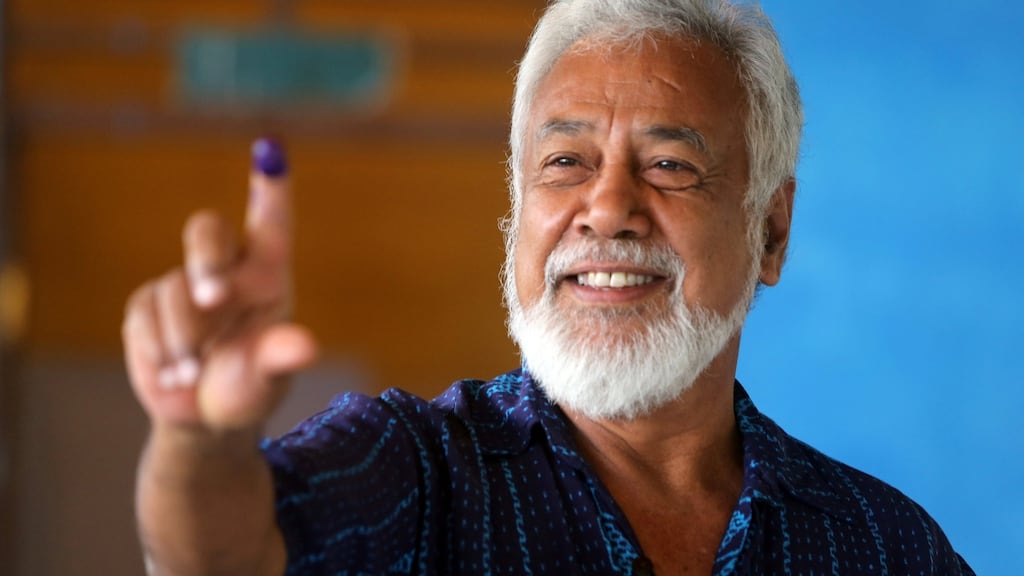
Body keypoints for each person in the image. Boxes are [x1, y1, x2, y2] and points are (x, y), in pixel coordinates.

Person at [122, 0, 975, 574]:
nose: (606, 209)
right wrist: (197, 440)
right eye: (565, 162)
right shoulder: (417, 472)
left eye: (671, 166)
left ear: (771, 230)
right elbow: (227, 550)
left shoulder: (883, 544)